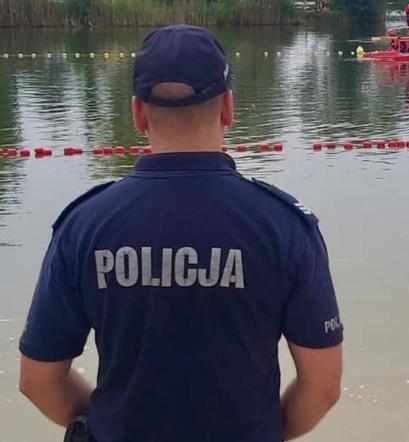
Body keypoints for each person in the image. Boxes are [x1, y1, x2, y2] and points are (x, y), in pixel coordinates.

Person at [18, 24, 343, 442]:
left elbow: (38, 380)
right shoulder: (284, 225)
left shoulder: (85, 225)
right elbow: (323, 385)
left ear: (137, 113)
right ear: (228, 108)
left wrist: (103, 422)